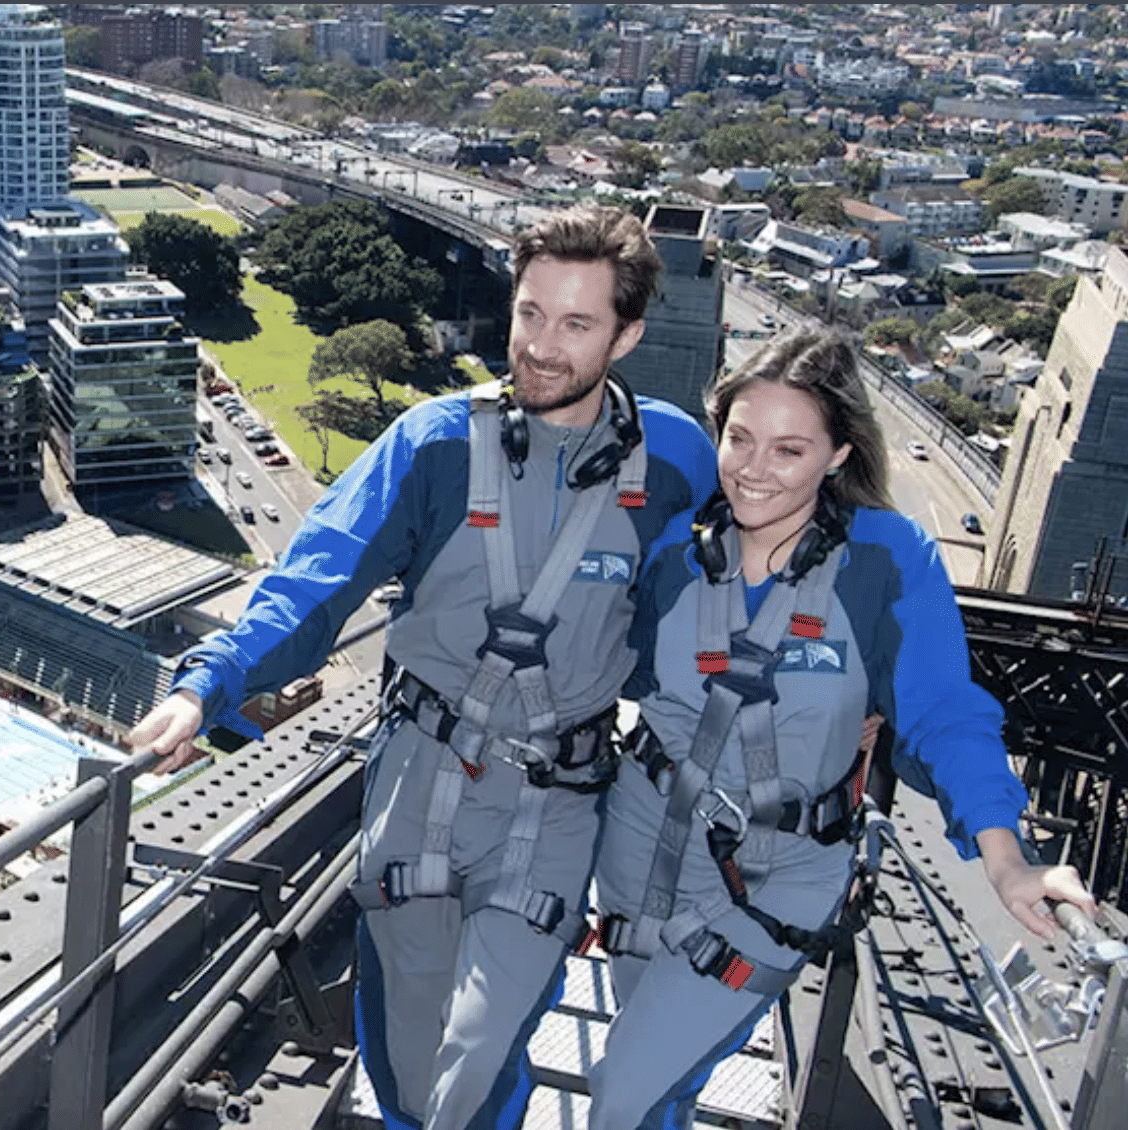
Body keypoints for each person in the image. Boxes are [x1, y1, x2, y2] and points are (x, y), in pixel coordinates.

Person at [128, 204, 720, 1129]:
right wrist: (211, 681)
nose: (542, 347)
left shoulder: (677, 458)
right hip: (422, 776)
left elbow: (717, 605)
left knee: (482, 1049)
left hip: (560, 798)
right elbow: (318, 580)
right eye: (531, 314)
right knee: (408, 1053)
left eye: (577, 324)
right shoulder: (437, 444)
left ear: (628, 334)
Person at [587, 328, 1097, 1128]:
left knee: (623, 1090)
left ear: (836, 455)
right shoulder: (678, 553)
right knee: (655, 1075)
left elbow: (943, 710)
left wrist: (1007, 861)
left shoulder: (885, 561)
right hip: (639, 852)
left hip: (778, 877)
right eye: (740, 438)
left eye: (789, 450)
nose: (753, 470)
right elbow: (612, 669)